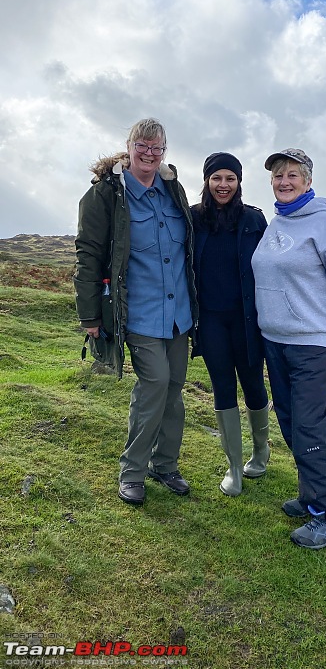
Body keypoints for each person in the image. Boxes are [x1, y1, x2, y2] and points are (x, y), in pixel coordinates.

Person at [74, 118, 198, 506]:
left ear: (165, 151)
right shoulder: (105, 195)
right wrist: (90, 317)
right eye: (141, 146)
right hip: (139, 314)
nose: (148, 153)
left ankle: (165, 465)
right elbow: (89, 256)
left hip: (179, 314)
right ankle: (132, 472)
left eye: (156, 147)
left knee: (175, 390)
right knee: (155, 385)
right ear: (128, 147)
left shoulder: (173, 190)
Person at [251, 148, 326, 548]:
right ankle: (309, 495)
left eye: (293, 175)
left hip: (311, 345)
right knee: (289, 421)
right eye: (278, 175)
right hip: (276, 342)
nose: (284, 181)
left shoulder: (325, 224)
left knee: (311, 428)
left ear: (309, 181)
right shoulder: (277, 223)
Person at [191, 152, 269, 496]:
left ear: (239, 182)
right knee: (222, 387)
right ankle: (234, 467)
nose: (223, 185)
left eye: (230, 179)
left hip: (247, 321)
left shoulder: (254, 220)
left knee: (253, 385)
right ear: (206, 181)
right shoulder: (192, 219)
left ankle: (261, 453)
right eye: (216, 178)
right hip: (210, 320)